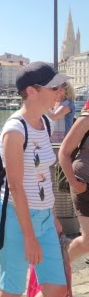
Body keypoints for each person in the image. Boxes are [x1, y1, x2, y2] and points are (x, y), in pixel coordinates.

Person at [0, 62, 69, 297]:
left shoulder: (45, 123)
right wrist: (29, 236)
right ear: (32, 91)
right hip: (17, 217)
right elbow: (16, 186)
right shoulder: (15, 130)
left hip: (45, 216)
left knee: (56, 288)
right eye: (54, 87)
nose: (61, 91)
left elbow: (43, 176)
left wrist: (53, 215)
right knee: (11, 290)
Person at [58, 100, 89, 263]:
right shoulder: (86, 120)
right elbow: (63, 153)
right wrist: (75, 183)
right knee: (87, 241)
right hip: (84, 184)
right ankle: (59, 264)